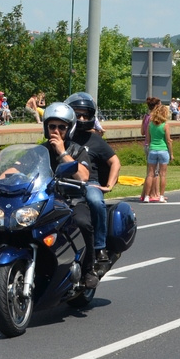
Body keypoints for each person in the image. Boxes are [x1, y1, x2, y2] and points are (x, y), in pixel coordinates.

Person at [41, 102, 96, 287]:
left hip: (72, 200)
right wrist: (5, 173)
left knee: (83, 223)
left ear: (69, 128)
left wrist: (62, 152)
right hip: (45, 202)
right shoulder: (40, 151)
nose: (56, 130)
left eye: (61, 127)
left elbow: (83, 175)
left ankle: (89, 269)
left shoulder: (77, 150)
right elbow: (21, 168)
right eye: (52, 126)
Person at [66, 92, 122, 272]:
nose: (82, 118)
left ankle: (99, 248)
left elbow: (115, 162)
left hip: (89, 183)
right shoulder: (63, 136)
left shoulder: (95, 139)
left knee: (96, 201)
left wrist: (109, 185)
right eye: (78, 114)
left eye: (85, 115)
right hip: (63, 183)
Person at [143, 101, 173, 203]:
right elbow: (168, 141)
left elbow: (148, 138)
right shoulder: (165, 125)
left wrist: (152, 146)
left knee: (150, 174)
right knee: (162, 175)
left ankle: (147, 196)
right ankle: (161, 196)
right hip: (163, 150)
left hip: (152, 150)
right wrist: (171, 154)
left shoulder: (150, 125)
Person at [139, 97, 161, 202]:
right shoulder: (155, 118)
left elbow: (142, 132)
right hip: (154, 145)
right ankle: (154, 194)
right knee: (155, 172)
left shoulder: (146, 116)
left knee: (149, 171)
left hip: (146, 145)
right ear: (156, 106)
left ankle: (145, 194)